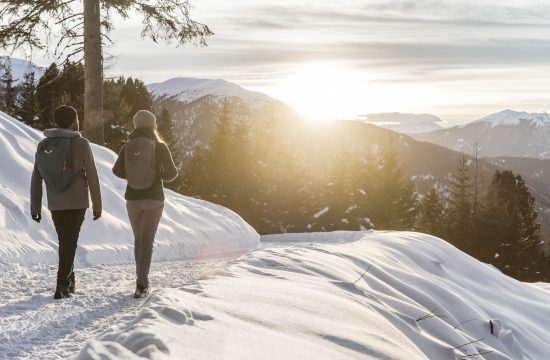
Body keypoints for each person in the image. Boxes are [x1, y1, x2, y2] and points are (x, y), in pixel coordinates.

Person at [30, 105, 102, 299]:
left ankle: (69, 283)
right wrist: (97, 204)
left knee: (65, 242)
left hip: (55, 203)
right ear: (73, 121)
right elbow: (93, 174)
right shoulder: (81, 143)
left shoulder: (45, 145)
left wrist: (35, 206)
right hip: (77, 202)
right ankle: (62, 285)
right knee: (69, 243)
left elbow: (36, 177)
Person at [112, 110, 178, 298]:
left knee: (139, 239)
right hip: (154, 198)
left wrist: (132, 176)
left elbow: (117, 170)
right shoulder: (160, 147)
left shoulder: (128, 146)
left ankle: (140, 280)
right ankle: (142, 284)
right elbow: (172, 174)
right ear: (152, 124)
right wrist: (158, 175)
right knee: (147, 240)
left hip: (132, 199)